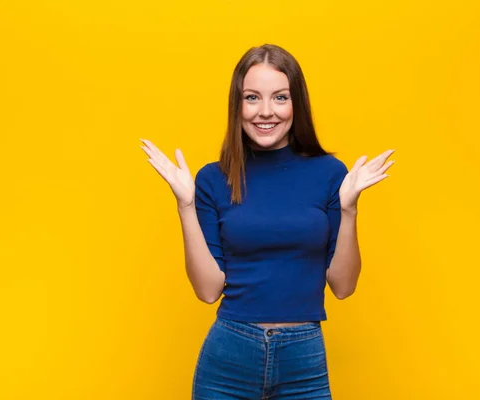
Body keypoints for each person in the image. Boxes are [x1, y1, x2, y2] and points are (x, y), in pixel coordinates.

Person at [140, 44, 395, 399]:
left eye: (279, 98)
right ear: (237, 105)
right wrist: (185, 205)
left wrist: (349, 209)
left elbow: (343, 285)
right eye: (251, 98)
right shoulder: (214, 179)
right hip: (229, 358)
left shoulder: (330, 174)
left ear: (296, 105)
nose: (265, 112)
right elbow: (208, 290)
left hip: (304, 358)